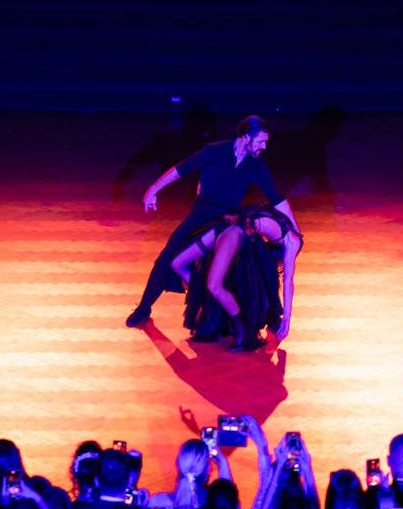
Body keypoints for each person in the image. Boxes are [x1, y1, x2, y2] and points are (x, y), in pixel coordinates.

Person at [125, 115, 296, 328]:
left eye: (266, 142)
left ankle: (269, 317)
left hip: (227, 221)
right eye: (261, 141)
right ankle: (144, 308)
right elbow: (180, 169)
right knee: (166, 259)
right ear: (246, 137)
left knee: (254, 268)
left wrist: (294, 231)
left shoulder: (256, 166)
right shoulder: (214, 151)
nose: (264, 146)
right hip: (200, 216)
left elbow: (277, 199)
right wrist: (153, 189)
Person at [169, 203, 304, 350]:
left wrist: (287, 317)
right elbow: (288, 281)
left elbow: (287, 280)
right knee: (177, 264)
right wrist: (287, 318)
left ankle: (242, 330)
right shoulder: (293, 242)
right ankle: (215, 303)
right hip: (226, 225)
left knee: (215, 285)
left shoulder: (286, 225)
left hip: (234, 231)